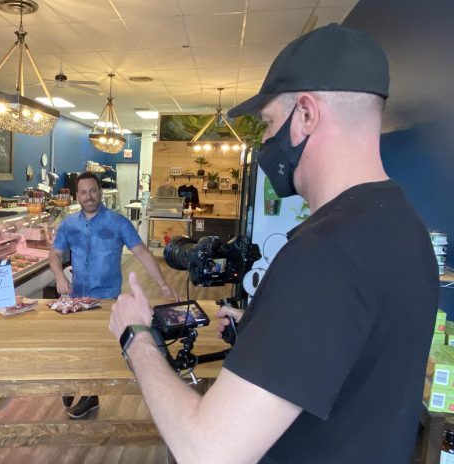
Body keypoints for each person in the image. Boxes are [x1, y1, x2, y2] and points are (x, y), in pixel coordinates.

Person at [108, 23, 439, 463]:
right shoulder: (406, 226)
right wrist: (266, 333)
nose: (263, 142)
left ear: (306, 115)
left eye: (267, 123)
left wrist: (137, 337)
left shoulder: (328, 252)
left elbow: (207, 451)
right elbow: (357, 360)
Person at [49, 171, 177, 419]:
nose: (89, 196)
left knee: (93, 348)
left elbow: (142, 253)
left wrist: (162, 285)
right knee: (73, 345)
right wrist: (59, 276)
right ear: (77, 195)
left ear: (100, 192)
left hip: (105, 300)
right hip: (75, 298)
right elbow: (54, 254)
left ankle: (90, 396)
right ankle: (73, 383)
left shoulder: (118, 223)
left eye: (93, 191)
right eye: (83, 192)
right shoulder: (69, 224)